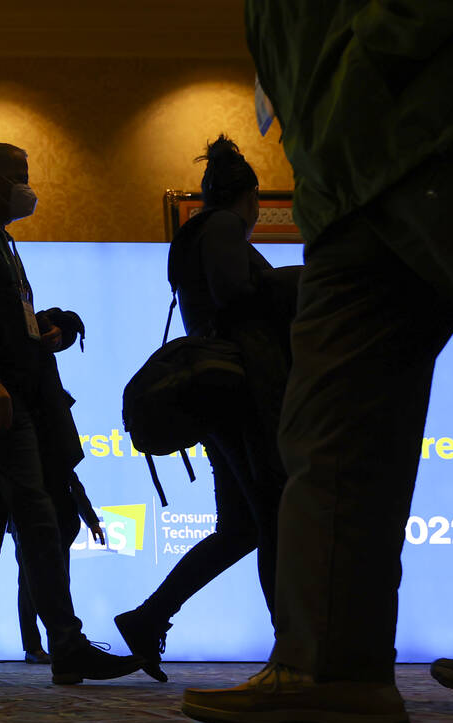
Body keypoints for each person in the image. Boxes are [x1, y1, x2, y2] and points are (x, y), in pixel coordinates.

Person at [182, 1, 453, 723]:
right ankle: (331, 669)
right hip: (340, 188)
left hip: (425, 133)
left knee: (327, 435)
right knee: (328, 432)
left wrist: (378, 49)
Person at [0, 142, 143, 686]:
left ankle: (66, 645)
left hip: (10, 398)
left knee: (39, 516)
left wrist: (41, 331)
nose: (29, 185)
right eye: (21, 176)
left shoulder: (2, 242)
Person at [114, 136, 297, 682]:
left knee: (243, 528)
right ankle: (291, 652)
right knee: (274, 519)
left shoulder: (199, 232)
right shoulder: (222, 227)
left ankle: (147, 618)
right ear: (253, 198)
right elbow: (235, 294)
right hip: (241, 395)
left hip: (222, 395)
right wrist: (291, 281)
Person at [17, 471, 105, 665]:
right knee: (29, 586)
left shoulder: (54, 452)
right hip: (26, 521)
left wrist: (92, 520)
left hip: (59, 525)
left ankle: (63, 645)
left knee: (59, 583)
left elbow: (73, 484)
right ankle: (34, 647)